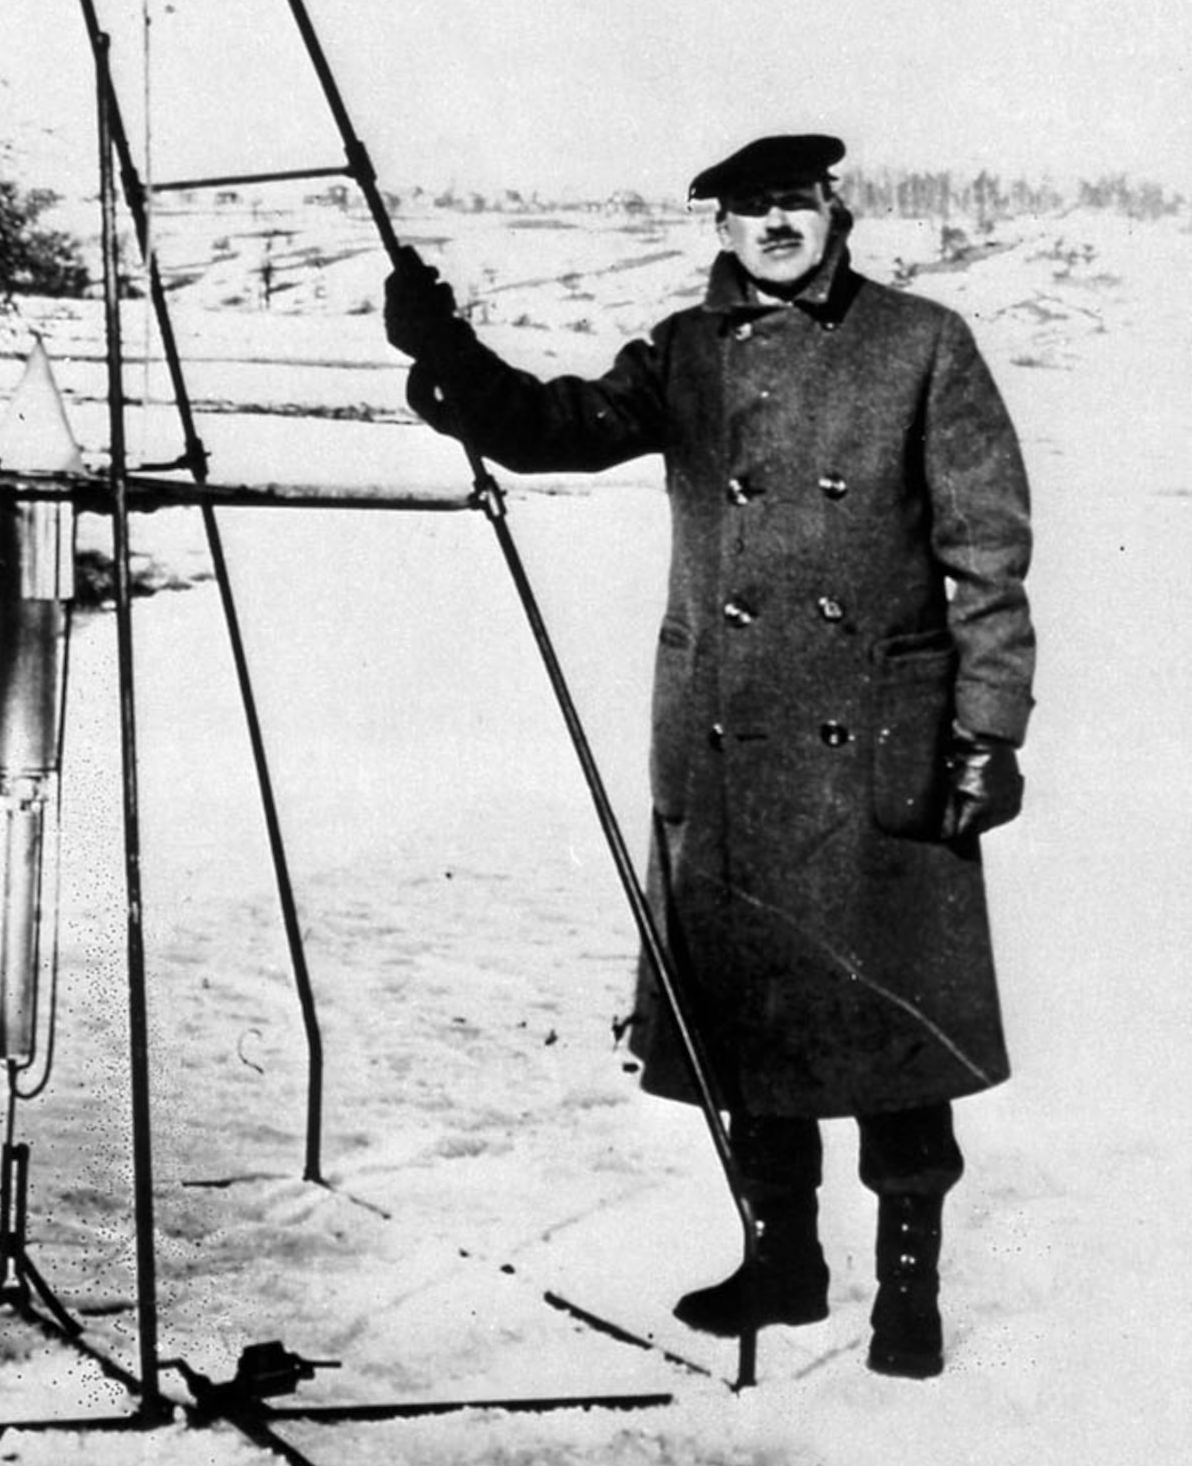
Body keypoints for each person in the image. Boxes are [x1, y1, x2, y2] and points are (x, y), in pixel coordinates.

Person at [382, 133, 1034, 1379]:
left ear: (834, 210)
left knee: (894, 1021)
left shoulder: (924, 341)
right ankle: (783, 1261)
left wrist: (987, 734)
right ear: (722, 233)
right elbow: (551, 428)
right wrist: (444, 350)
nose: (775, 226)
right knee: (750, 1011)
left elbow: (987, 554)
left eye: (794, 202)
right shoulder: (685, 351)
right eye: (749, 211)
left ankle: (911, 1293)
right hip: (727, 732)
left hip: (878, 736)